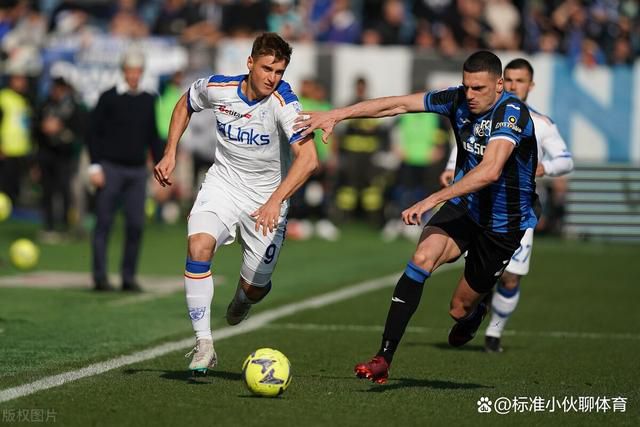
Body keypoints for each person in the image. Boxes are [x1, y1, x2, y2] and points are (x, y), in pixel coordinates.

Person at [296, 51, 538, 384]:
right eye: (467, 86)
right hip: (465, 206)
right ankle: (384, 356)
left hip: (503, 224)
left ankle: (474, 312)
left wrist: (432, 199)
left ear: (499, 85)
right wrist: (338, 114)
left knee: (459, 309)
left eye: (479, 88)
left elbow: (490, 171)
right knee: (421, 258)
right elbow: (397, 105)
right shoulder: (457, 99)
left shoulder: (512, 112)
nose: (470, 95)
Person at [153, 33, 318, 375]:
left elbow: (309, 160)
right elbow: (186, 101)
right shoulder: (219, 88)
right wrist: (170, 152)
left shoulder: (285, 104)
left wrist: (275, 201)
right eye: (267, 68)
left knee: (254, 288)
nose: (273, 78)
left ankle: (244, 299)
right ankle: (204, 343)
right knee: (198, 246)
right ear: (250, 63)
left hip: (267, 202)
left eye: (280, 71)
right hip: (223, 186)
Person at [440, 58, 573, 353]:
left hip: (517, 210)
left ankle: (494, 333)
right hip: (480, 206)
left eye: (520, 81)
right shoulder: (485, 113)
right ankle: (475, 315)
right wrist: (452, 166)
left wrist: (545, 168)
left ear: (530, 85)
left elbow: (567, 160)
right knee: (482, 276)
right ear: (502, 81)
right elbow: (466, 142)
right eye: (509, 79)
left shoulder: (541, 123)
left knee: (511, 277)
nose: (514, 85)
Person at [87, 49, 163, 292]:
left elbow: (153, 136)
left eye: (137, 71)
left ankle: (128, 277)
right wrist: (95, 166)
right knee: (104, 223)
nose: (133, 75)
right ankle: (100, 277)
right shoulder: (108, 97)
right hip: (110, 169)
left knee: (136, 225)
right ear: (123, 71)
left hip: (137, 172)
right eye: (130, 70)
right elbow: (93, 133)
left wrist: (161, 167)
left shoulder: (148, 99)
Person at [35, 77, 86, 242]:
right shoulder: (45, 105)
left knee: (66, 190)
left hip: (65, 156)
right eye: (55, 88)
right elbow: (35, 127)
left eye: (60, 88)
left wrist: (60, 128)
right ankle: (49, 226)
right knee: (48, 191)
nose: (57, 92)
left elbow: (80, 131)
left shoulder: (73, 107)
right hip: (46, 154)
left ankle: (66, 226)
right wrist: (43, 127)